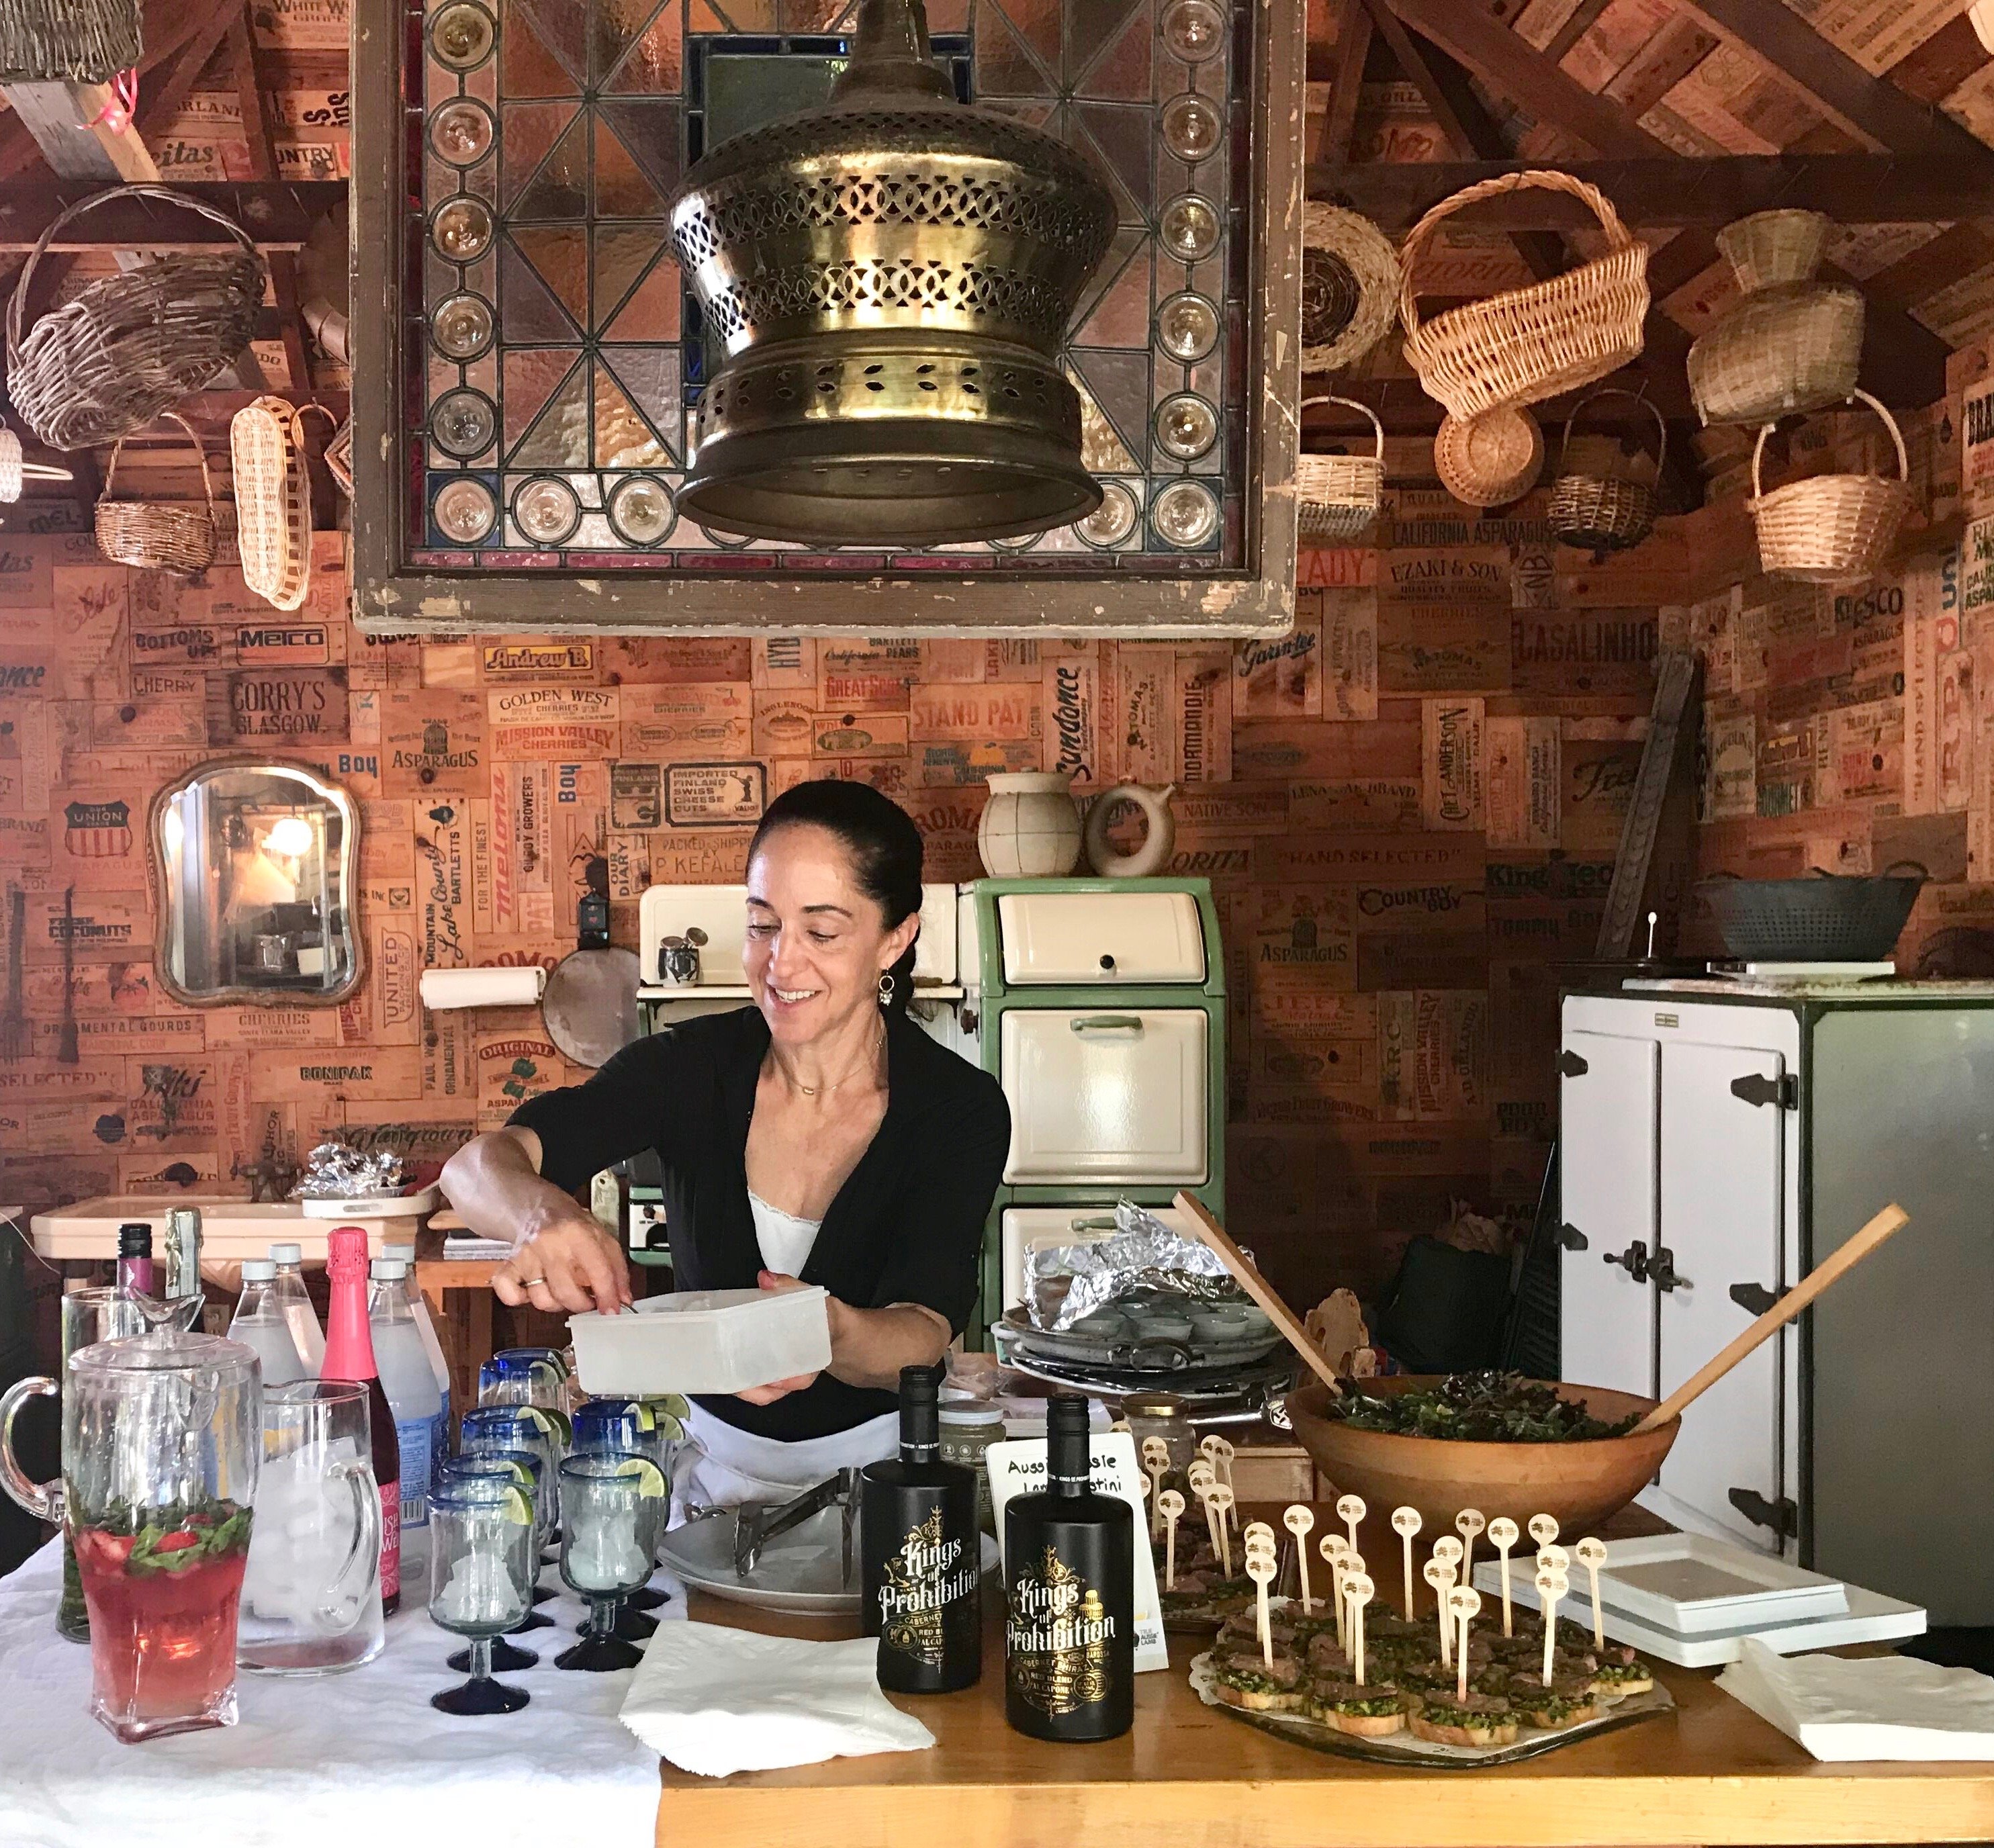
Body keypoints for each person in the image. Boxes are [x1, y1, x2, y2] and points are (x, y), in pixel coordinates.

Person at [439, 778, 1011, 1510]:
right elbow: (478, 1165)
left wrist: (823, 1331)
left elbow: (925, 1333)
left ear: (893, 939)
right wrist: (539, 1217)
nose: (781, 964)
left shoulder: (956, 1108)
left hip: (885, 1483)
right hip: (704, 1476)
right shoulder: (689, 1068)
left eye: (822, 932)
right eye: (763, 924)